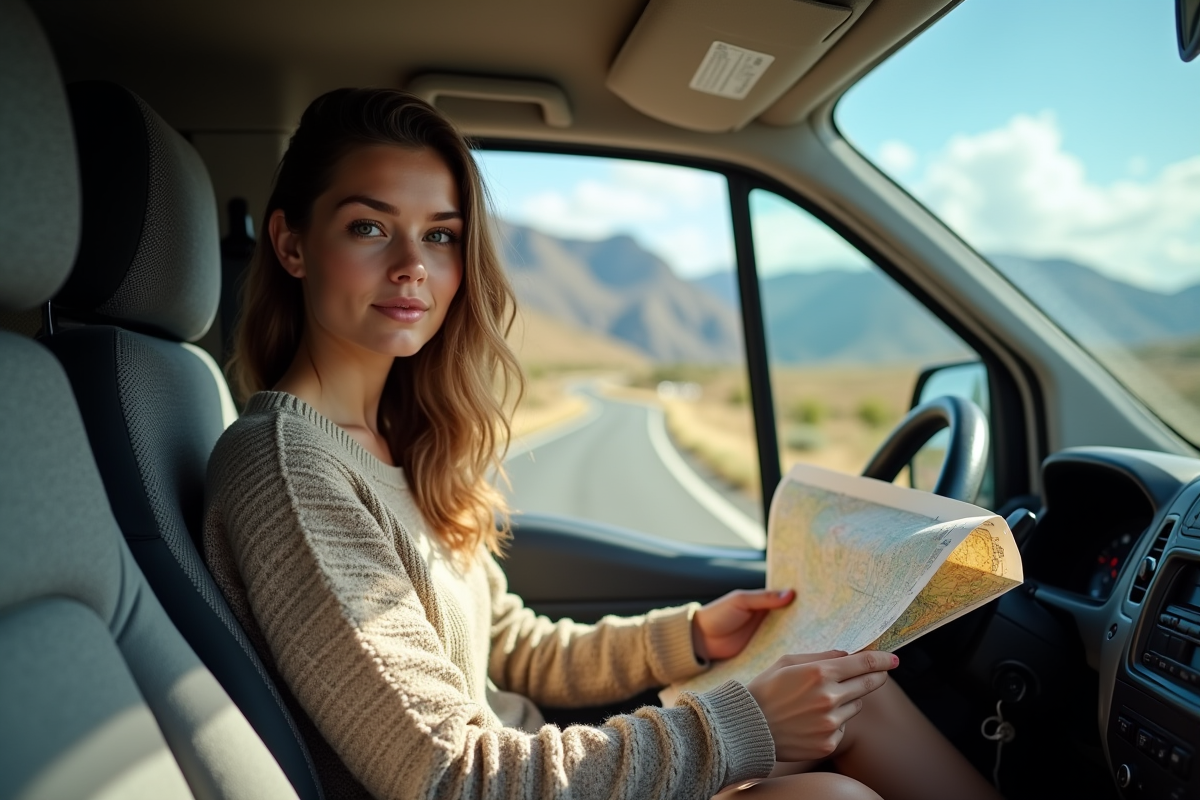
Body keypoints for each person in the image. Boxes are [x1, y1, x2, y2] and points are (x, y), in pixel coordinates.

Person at [203, 87, 1002, 800]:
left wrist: (691, 636)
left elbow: (508, 647)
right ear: (292, 245)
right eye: (369, 226)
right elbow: (450, 778)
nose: (413, 265)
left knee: (859, 697)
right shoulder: (286, 467)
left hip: (522, 764)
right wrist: (747, 723)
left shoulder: (398, 443)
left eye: (441, 236)